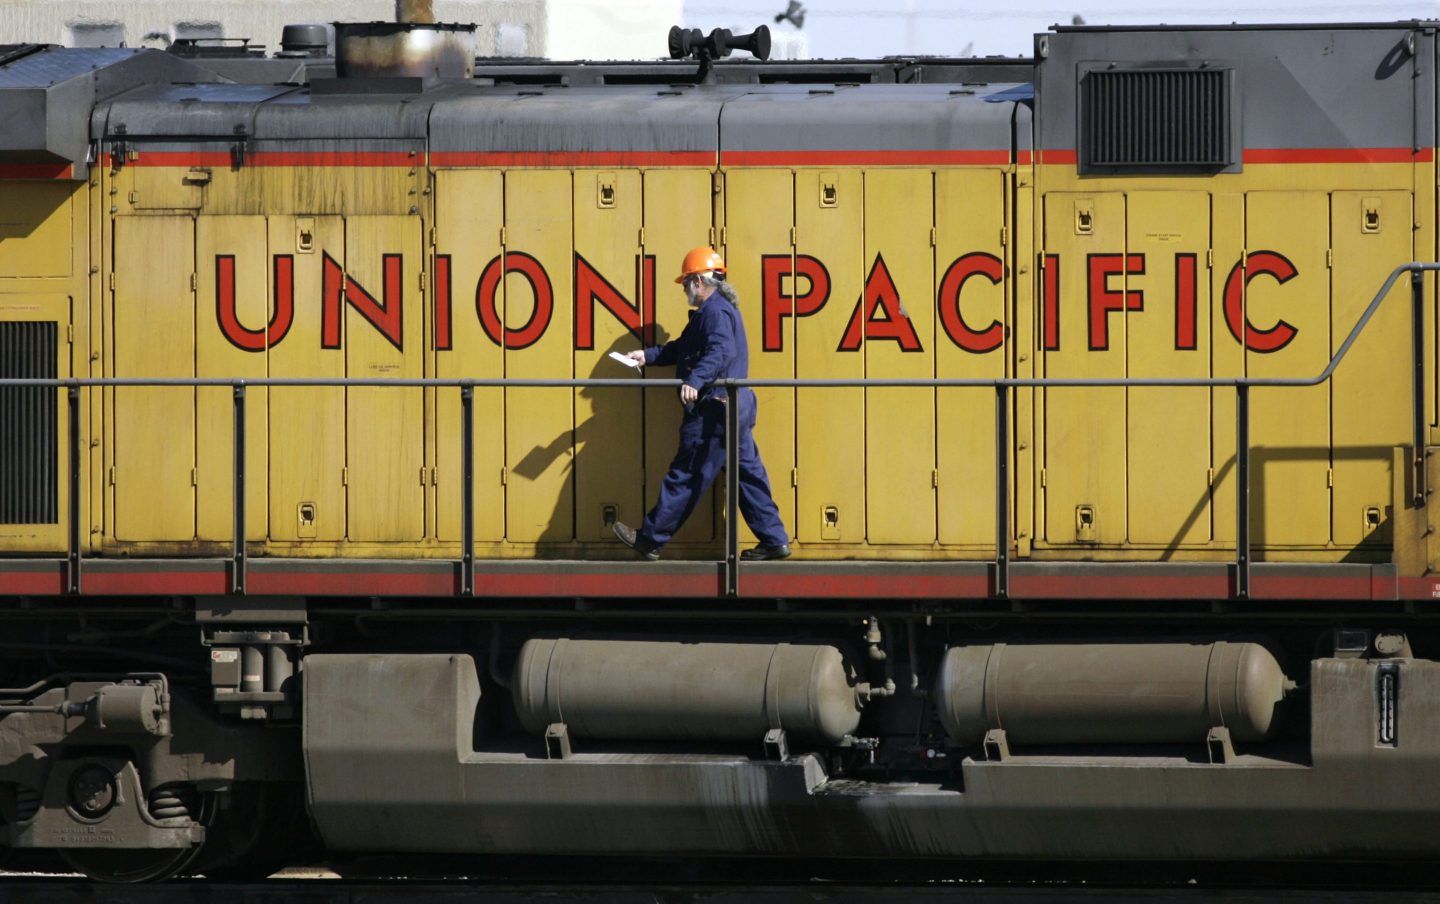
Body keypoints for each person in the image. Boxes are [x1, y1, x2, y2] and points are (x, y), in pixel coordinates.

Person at [611, 246, 791, 562]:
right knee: (747, 475)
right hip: (734, 405)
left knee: (689, 471)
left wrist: (695, 382)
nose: (684, 291)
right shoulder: (716, 312)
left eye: (685, 284)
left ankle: (650, 539)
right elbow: (684, 348)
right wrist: (647, 356)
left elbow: (721, 352)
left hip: (715, 409)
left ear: (697, 281)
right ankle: (775, 540)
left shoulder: (714, 313)